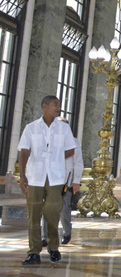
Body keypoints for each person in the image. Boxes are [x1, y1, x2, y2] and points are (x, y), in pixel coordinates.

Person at [18, 96, 76, 265]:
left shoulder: (64, 129)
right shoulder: (31, 128)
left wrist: (56, 158)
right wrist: (22, 176)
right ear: (44, 106)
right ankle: (33, 252)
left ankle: (53, 247)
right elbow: (23, 152)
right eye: (54, 104)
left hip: (55, 177)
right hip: (35, 176)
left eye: (58, 104)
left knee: (52, 213)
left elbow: (71, 149)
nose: (58, 107)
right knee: (33, 215)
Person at [40, 116, 83, 246]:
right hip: (50, 180)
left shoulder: (74, 142)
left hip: (66, 181)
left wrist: (76, 181)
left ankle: (66, 232)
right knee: (47, 208)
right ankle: (44, 236)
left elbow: (78, 163)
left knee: (64, 208)